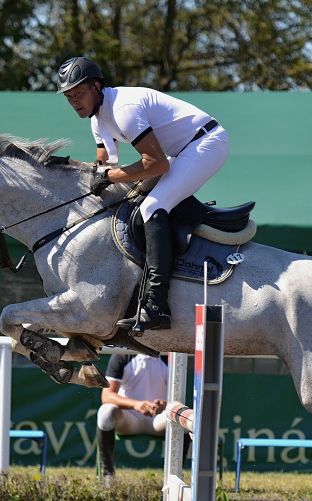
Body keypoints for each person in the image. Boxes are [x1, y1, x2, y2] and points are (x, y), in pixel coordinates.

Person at [56, 56, 230, 331]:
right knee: (135, 199)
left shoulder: (124, 108)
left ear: (97, 87)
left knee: (152, 208)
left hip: (207, 143)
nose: (74, 100)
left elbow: (154, 164)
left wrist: (108, 176)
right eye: (69, 96)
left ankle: (156, 306)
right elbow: (105, 166)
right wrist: (68, 168)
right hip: (181, 151)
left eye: (79, 93)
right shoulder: (97, 119)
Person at [97, 352, 170, 484]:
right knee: (105, 412)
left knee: (183, 418)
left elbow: (177, 399)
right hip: (129, 420)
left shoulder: (170, 355)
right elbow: (107, 396)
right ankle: (108, 474)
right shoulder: (122, 354)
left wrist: (164, 405)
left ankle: (173, 476)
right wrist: (135, 404)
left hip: (159, 421)